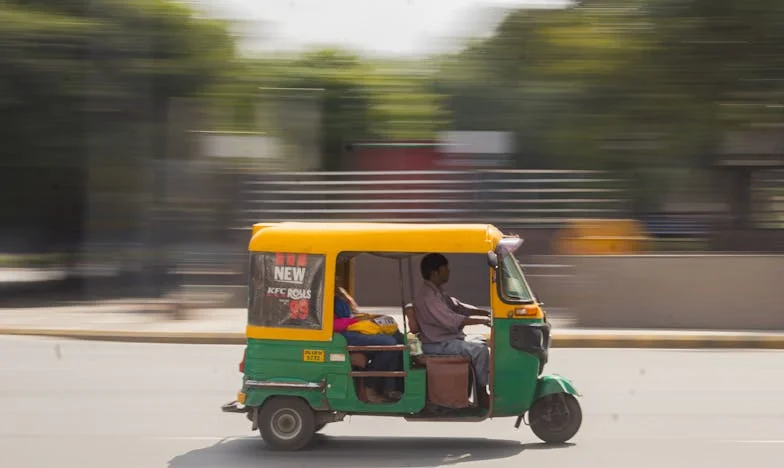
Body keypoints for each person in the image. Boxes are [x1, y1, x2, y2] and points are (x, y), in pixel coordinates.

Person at [413, 253, 492, 407]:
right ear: (434, 273)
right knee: (480, 351)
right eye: (445, 269)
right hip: (437, 344)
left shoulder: (437, 292)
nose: (449, 271)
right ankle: (482, 394)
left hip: (447, 340)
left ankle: (472, 389)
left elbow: (459, 307)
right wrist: (484, 320)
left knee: (481, 341)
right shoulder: (429, 297)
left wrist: (486, 313)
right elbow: (452, 320)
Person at [333, 282, 404, 403]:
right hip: (342, 334)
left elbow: (351, 314)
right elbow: (332, 324)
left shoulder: (339, 295)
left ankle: (392, 387)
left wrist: (367, 318)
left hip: (354, 327)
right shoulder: (323, 298)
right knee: (390, 343)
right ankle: (370, 386)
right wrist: (353, 321)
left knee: (398, 338)